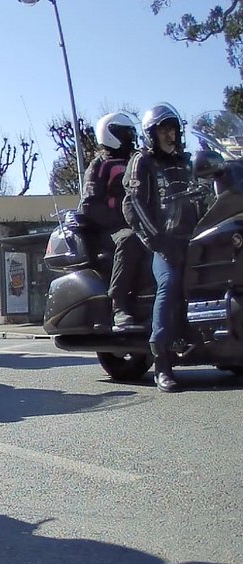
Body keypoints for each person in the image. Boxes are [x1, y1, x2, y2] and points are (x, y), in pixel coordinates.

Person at [122, 103, 195, 392]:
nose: (170, 135)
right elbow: (133, 203)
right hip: (163, 243)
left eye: (173, 129)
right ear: (151, 134)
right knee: (170, 281)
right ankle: (162, 362)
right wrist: (159, 241)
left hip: (196, 237)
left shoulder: (186, 162)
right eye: (163, 130)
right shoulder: (143, 161)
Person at [80, 112, 145, 329]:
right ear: (111, 134)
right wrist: (124, 220)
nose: (130, 138)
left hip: (142, 223)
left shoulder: (138, 161)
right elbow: (88, 205)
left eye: (131, 133)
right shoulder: (100, 164)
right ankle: (119, 304)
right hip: (111, 229)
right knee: (130, 239)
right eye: (125, 133)